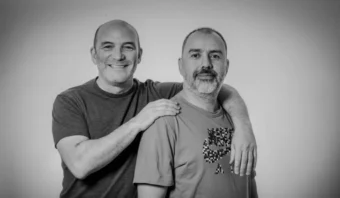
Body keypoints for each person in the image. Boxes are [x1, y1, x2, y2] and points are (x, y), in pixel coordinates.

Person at [52, 20, 257, 198]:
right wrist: (137, 123)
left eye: (128, 47)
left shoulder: (156, 92)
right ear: (94, 54)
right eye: (107, 47)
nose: (118, 55)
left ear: (139, 55)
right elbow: (80, 165)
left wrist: (244, 127)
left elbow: (212, 85)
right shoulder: (70, 101)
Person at [134, 27, 257, 198]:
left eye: (215, 56)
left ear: (226, 66)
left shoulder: (237, 121)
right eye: (195, 55)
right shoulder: (163, 123)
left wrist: (244, 126)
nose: (206, 64)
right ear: (180, 65)